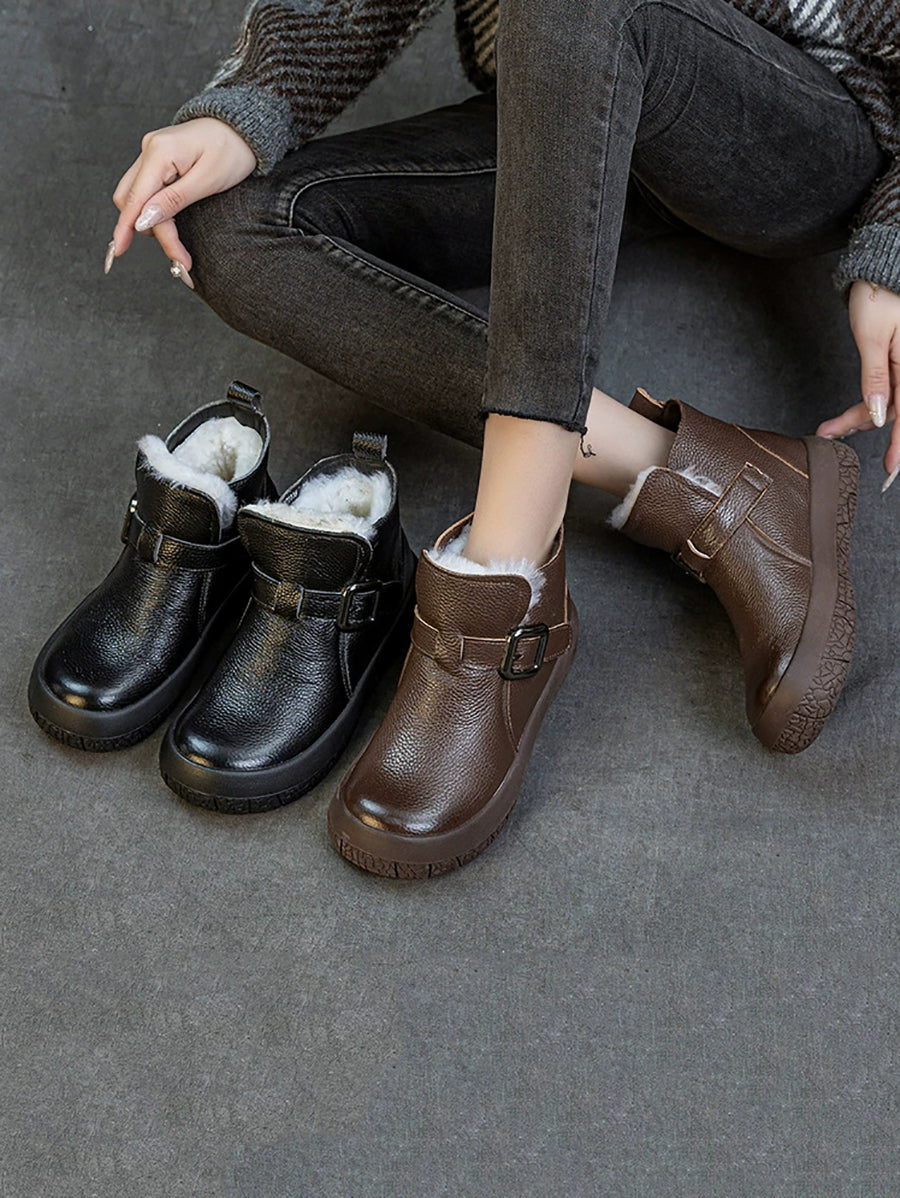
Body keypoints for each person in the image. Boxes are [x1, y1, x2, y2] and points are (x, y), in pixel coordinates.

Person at [102, 0, 897, 876]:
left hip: (786, 128)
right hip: (567, 100)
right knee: (225, 223)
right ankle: (713, 484)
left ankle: (506, 583)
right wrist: (245, 107)